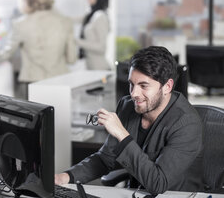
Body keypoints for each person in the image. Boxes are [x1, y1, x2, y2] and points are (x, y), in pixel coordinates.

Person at [55, 46, 204, 196]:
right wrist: (66, 177)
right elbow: (105, 159)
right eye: (131, 84)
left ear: (167, 87)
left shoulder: (187, 124)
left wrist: (122, 134)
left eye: (143, 86)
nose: (134, 94)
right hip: (136, 193)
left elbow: (158, 183)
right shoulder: (127, 106)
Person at [0, 0, 77, 97]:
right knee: (60, 115)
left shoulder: (21, 24)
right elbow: (72, 59)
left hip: (32, 84)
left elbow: (6, 53)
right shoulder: (65, 21)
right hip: (61, 82)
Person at [76, 0, 110, 70]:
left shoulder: (100, 16)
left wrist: (77, 41)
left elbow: (101, 47)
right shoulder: (91, 15)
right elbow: (69, 20)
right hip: (91, 68)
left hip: (100, 70)